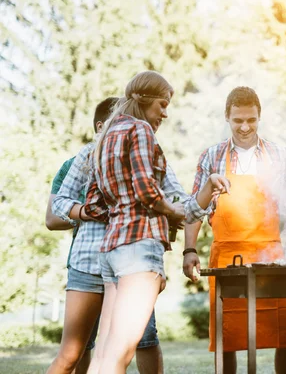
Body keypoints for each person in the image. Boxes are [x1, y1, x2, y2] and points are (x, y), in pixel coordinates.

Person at [47, 96, 184, 373]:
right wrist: (88, 211)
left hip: (130, 262)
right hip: (88, 263)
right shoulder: (86, 156)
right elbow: (55, 210)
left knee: (138, 344)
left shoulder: (144, 151)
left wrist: (173, 212)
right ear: (101, 125)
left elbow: (175, 196)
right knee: (75, 354)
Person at [183, 86, 286, 374]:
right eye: (238, 120)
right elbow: (194, 209)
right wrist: (189, 250)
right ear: (227, 117)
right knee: (229, 337)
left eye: (251, 119)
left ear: (260, 116)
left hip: (271, 256)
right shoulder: (211, 156)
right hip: (228, 257)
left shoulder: (278, 155)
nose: (245, 127)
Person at [83, 71, 186, 374]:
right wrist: (173, 212)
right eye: (162, 104)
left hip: (111, 249)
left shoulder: (106, 136)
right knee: (120, 353)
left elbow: (92, 204)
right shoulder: (140, 130)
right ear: (145, 100)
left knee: (104, 352)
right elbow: (147, 191)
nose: (165, 113)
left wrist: (121, 209)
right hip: (139, 247)